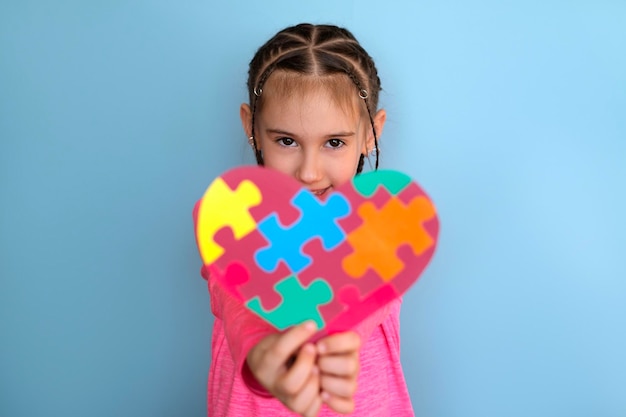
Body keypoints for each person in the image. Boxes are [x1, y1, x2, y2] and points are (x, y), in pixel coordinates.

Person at [200, 23, 414, 416]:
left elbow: (365, 301)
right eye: (287, 141)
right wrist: (263, 352)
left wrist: (330, 341)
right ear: (252, 128)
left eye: (334, 142)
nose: (310, 172)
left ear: (371, 133)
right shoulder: (231, 217)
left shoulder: (388, 225)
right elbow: (235, 300)